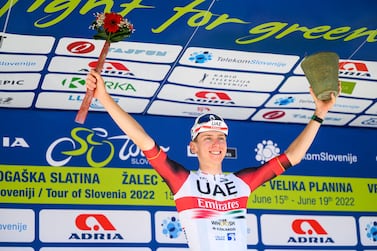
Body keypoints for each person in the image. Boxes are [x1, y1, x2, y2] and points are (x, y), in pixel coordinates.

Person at [85, 70, 339, 251]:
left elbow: (292, 157)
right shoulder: (183, 181)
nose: (216, 144)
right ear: (192, 147)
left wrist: (319, 114)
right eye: (208, 138)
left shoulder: (242, 183)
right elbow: (144, 141)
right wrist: (105, 98)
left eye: (220, 138)